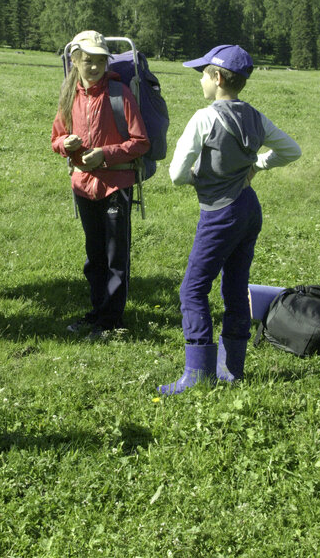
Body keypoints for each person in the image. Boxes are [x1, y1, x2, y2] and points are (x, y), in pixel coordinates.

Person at [158, 45, 301, 394]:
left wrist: (198, 176)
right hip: (249, 209)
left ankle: (197, 375)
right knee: (236, 286)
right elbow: (291, 150)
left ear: (218, 78)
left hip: (220, 214)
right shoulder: (254, 115)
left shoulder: (204, 118)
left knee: (192, 289)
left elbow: (177, 174)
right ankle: (231, 369)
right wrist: (256, 165)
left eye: (204, 74)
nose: (201, 81)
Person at [51, 30, 150, 339]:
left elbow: (141, 141)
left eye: (99, 61)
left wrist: (105, 156)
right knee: (94, 254)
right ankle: (96, 312)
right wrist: (65, 143)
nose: (93, 67)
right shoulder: (69, 95)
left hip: (115, 185)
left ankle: (111, 320)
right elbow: (55, 138)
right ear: (75, 60)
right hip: (83, 185)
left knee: (114, 256)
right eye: (87, 61)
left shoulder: (120, 93)